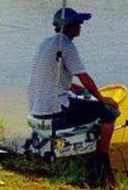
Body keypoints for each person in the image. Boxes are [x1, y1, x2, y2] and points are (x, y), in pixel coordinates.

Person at [27, 8, 119, 160]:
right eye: (78, 23)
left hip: (36, 108)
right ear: (71, 25)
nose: (81, 26)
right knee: (109, 111)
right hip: (54, 113)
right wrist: (102, 98)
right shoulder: (66, 46)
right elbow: (84, 77)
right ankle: (103, 156)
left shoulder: (46, 43)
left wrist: (73, 87)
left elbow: (51, 74)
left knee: (82, 102)